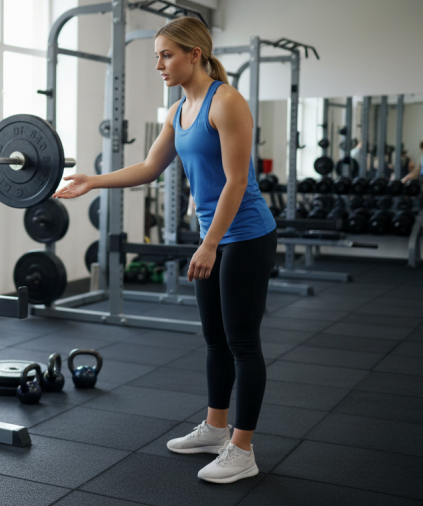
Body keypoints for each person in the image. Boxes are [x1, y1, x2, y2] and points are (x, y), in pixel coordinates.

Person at [54, 16, 276, 484]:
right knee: (214, 339)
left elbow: (238, 181)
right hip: (215, 236)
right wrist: (94, 180)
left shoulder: (227, 102)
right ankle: (216, 429)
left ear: (195, 54)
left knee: (242, 343)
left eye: (166, 54)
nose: (158, 64)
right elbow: (150, 166)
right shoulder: (180, 109)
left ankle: (243, 448)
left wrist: (210, 243)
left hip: (247, 235)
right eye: (156, 55)